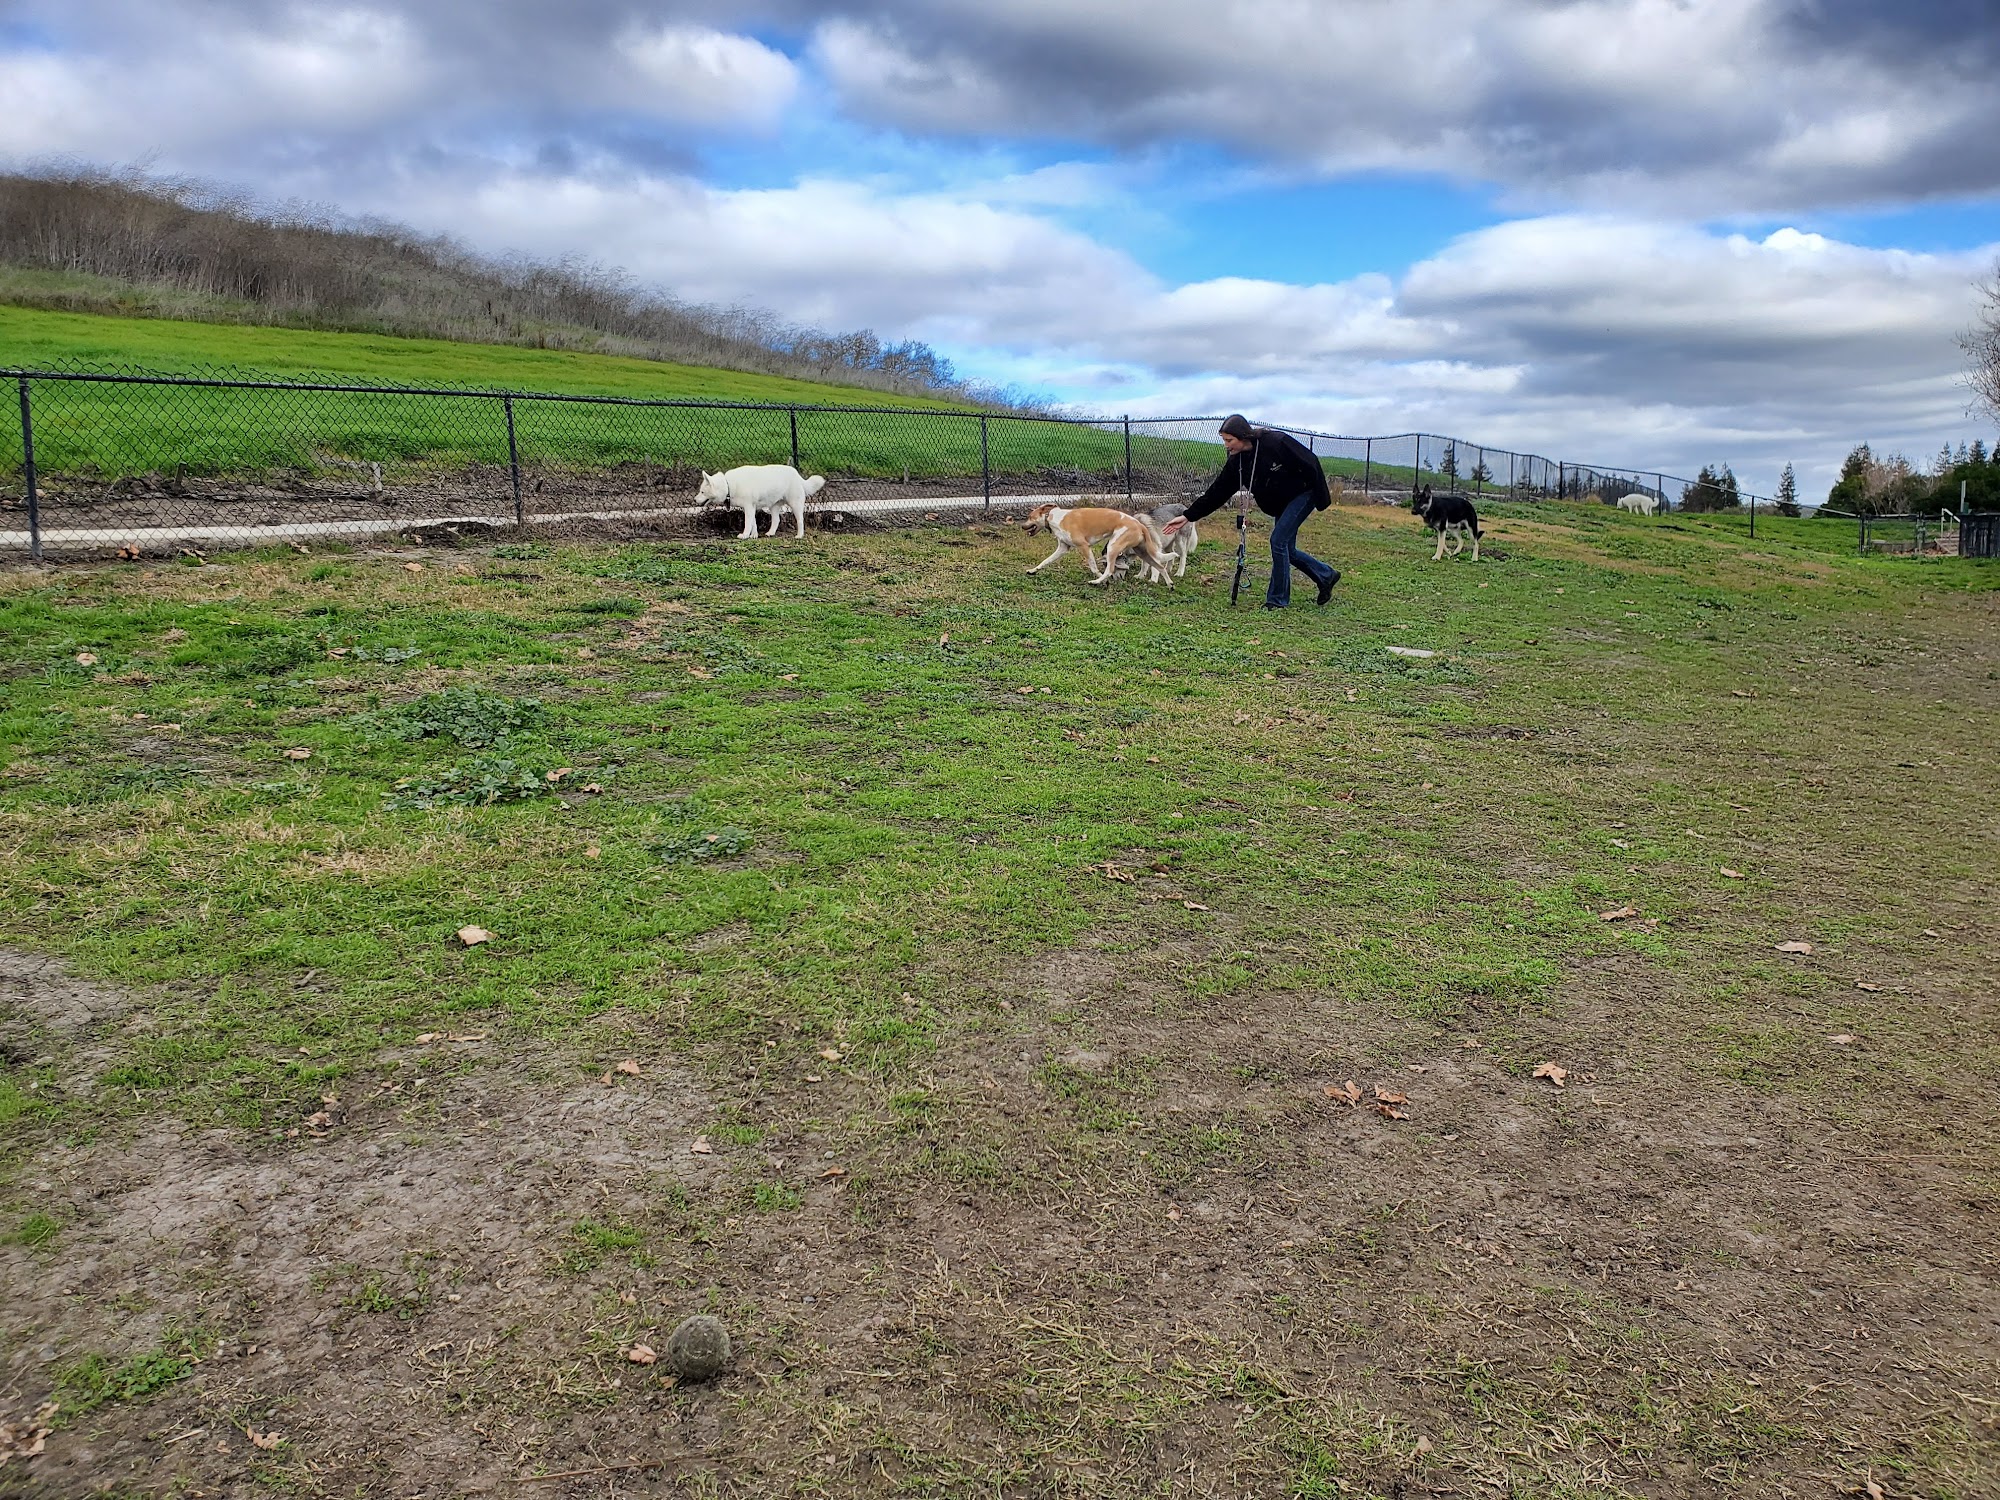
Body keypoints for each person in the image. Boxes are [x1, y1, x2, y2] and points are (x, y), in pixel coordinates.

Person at [1164, 414, 1339, 609]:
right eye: (1224, 440)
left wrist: (1321, 498)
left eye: (1229, 440)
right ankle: (1326, 575)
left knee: (1278, 541)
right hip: (1283, 503)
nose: (1226, 445)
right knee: (1287, 549)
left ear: (1242, 436)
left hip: (1304, 493)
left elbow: (1311, 462)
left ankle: (1277, 600)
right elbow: (1217, 492)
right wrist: (1188, 516)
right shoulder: (1236, 463)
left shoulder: (1275, 442)